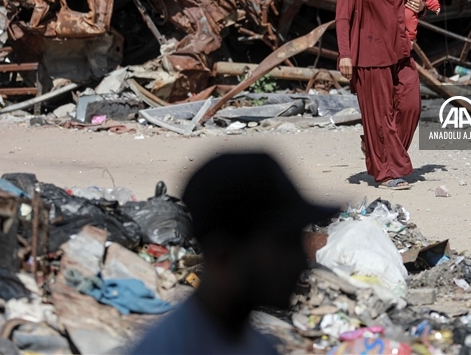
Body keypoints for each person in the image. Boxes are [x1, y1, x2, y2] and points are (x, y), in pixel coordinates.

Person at [129, 152, 337, 355]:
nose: (299, 262)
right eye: (284, 246)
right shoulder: (173, 348)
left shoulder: (256, 344)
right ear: (224, 257)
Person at [336, 0, 424, 190]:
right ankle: (386, 172)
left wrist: (416, 5)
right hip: (370, 57)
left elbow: (401, 5)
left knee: (411, 104)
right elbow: (342, 18)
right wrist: (345, 55)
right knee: (380, 116)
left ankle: (377, 149)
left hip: (398, 51)